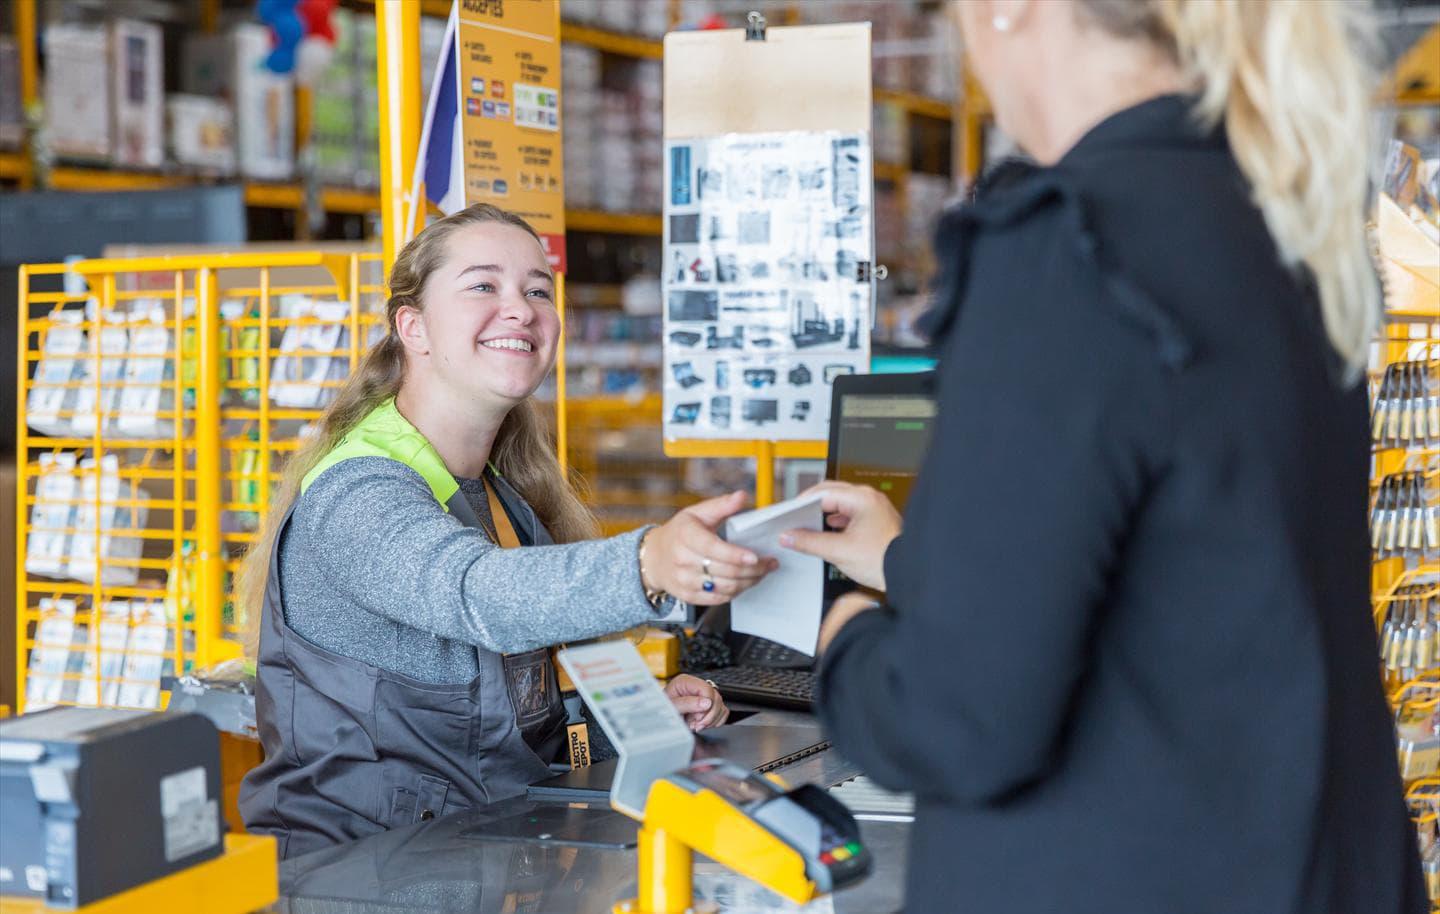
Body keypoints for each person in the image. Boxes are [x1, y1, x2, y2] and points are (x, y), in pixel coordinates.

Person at [781, 2, 1426, 912]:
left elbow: (960, 721)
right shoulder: (1283, 228)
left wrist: (847, 646)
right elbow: (1188, 585)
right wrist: (903, 560)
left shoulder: (1067, 244)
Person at [238, 204, 776, 859]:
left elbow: (526, 722)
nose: (520, 308)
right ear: (414, 327)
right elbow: (477, 593)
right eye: (483, 286)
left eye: (538, 291)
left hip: (479, 853)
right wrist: (646, 563)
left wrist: (638, 718)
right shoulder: (357, 492)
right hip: (356, 874)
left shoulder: (504, 499)